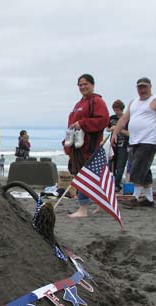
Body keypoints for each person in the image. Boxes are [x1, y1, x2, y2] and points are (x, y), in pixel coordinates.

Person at [112, 77, 156, 208]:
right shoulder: (133, 102)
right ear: (137, 88)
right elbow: (123, 119)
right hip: (134, 141)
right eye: (140, 87)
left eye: (145, 87)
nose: (143, 90)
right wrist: (115, 133)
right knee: (144, 169)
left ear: (150, 87)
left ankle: (135, 197)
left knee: (136, 169)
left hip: (149, 141)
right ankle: (149, 199)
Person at [63, 74, 109, 218]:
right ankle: (101, 204)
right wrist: (66, 144)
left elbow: (103, 120)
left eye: (85, 84)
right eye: (80, 85)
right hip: (78, 147)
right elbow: (70, 127)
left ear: (92, 85)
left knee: (84, 176)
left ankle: (83, 209)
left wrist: (82, 123)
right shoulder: (78, 104)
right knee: (92, 177)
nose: (83, 87)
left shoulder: (97, 101)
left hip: (90, 147)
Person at [106, 100, 130, 192]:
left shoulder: (127, 118)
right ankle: (110, 183)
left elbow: (129, 133)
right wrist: (111, 129)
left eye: (118, 110)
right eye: (114, 110)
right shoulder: (112, 118)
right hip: (113, 145)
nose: (116, 112)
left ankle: (117, 184)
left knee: (120, 166)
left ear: (122, 109)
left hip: (123, 145)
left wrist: (118, 129)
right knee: (111, 165)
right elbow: (107, 128)